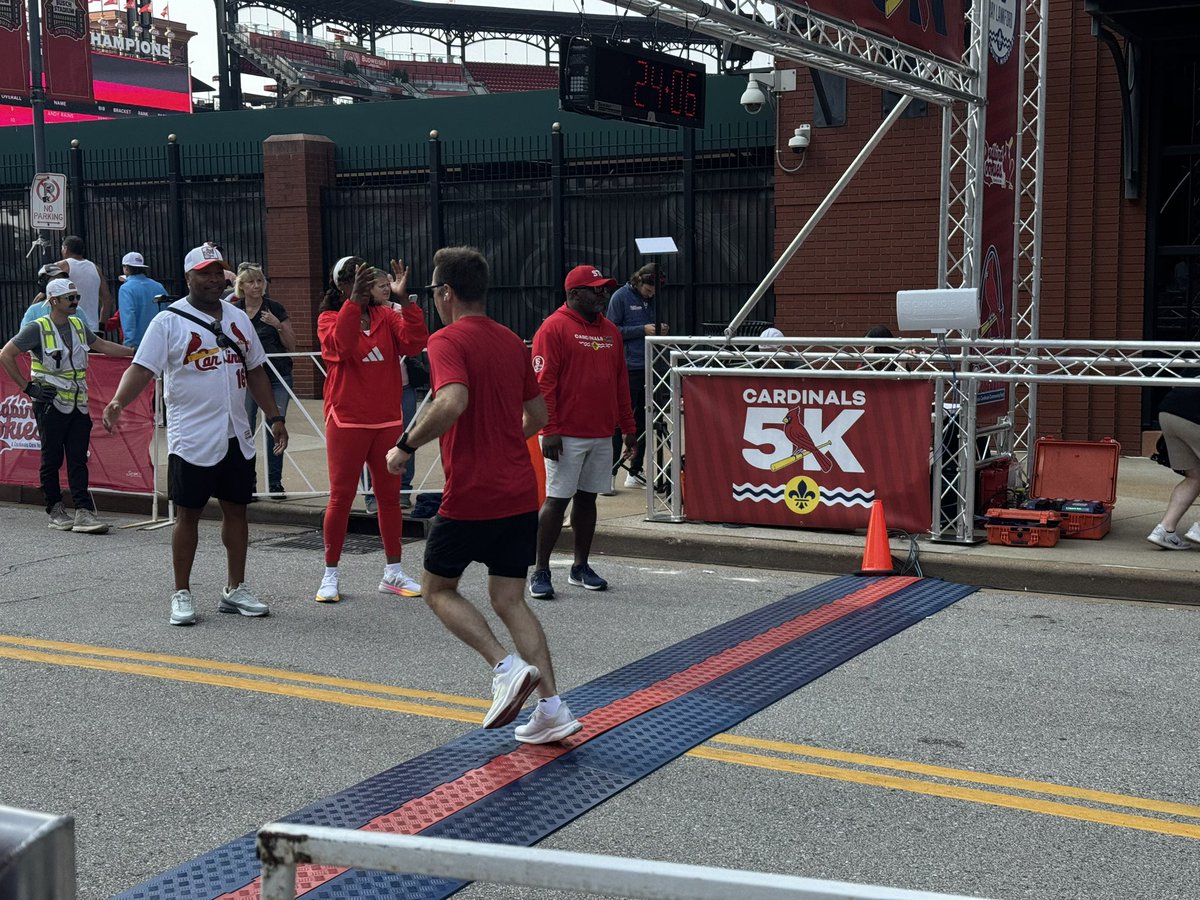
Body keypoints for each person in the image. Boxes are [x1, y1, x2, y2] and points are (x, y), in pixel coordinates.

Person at [384, 245, 582, 744]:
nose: (432, 300)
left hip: (472, 493)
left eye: (433, 292)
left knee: (436, 589)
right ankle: (553, 710)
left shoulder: (447, 339)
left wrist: (404, 446)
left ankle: (504, 666)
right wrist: (503, 438)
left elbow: (452, 400)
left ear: (446, 293)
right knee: (509, 598)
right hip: (519, 491)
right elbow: (538, 417)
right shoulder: (511, 342)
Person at [101, 243, 289, 626]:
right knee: (188, 514)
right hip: (192, 436)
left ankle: (235, 588)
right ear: (188, 277)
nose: (214, 279)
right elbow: (142, 368)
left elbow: (255, 369)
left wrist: (273, 415)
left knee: (237, 510)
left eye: (219, 272)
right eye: (205, 273)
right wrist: (119, 401)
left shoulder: (238, 319)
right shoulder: (168, 322)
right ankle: (182, 592)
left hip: (236, 432)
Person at [315, 257, 428, 603]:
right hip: (347, 419)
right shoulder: (328, 318)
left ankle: (393, 572)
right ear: (344, 286)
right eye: (360, 281)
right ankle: (330, 574)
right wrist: (354, 303)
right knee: (341, 497)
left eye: (370, 280)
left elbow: (413, 343)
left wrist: (405, 300)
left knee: (390, 499)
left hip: (386, 420)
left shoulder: (387, 314)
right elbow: (343, 347)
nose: (369, 286)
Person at [529, 265, 637, 600]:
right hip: (566, 433)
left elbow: (620, 382)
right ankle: (541, 570)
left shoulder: (610, 331)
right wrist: (550, 430)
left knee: (588, 499)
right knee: (557, 500)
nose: (603, 294)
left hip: (602, 432)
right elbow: (543, 384)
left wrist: (629, 429)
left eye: (605, 289)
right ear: (574, 294)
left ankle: (580, 566)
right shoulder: (553, 328)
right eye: (596, 289)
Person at [0, 279, 135, 533]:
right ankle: (55, 509)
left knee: (78, 458)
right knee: (51, 457)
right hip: (50, 404)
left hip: (78, 403)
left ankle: (84, 511)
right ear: (53, 301)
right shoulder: (36, 328)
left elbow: (101, 345)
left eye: (76, 297)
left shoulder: (77, 324)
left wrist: (133, 353)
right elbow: (6, 354)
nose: (75, 302)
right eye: (69, 298)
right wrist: (27, 387)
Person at [232, 263, 296, 498]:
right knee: (245, 429)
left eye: (259, 281)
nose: (256, 286)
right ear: (242, 286)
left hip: (278, 375)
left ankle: (275, 484)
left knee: (275, 426)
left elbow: (292, 345)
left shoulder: (275, 308)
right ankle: (247, 482)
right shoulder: (235, 311)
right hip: (248, 376)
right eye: (251, 282)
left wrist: (277, 325)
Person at [605, 264, 666, 488]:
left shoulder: (652, 300)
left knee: (645, 420)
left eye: (654, 292)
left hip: (649, 364)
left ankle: (635, 470)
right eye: (648, 290)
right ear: (638, 282)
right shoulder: (620, 297)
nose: (651, 294)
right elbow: (611, 330)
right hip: (628, 366)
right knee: (621, 421)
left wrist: (658, 329)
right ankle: (610, 474)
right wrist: (643, 329)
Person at [1147, 376, 1200, 550]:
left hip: (1169, 412)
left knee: (1194, 477)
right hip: (1194, 416)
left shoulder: (1193, 357)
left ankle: (1164, 531)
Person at [55, 236, 113, 333]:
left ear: (65, 249)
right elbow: (107, 300)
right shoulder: (95, 268)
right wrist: (101, 327)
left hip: (68, 327)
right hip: (91, 329)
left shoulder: (62, 266)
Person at [116, 251, 167, 349]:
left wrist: (128, 343)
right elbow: (167, 311)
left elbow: (128, 316)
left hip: (138, 344)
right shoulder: (158, 286)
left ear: (126, 268)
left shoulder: (126, 288)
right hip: (160, 340)